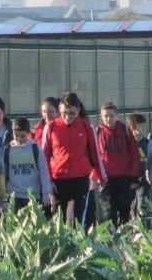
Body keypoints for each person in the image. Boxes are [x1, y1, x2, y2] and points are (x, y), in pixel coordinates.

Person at [41, 92, 106, 227]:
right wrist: (49, 181)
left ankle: (76, 247)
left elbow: (95, 154)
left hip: (80, 181)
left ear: (78, 110)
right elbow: (44, 157)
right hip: (58, 182)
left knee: (74, 219)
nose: (68, 117)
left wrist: (101, 176)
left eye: (72, 113)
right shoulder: (51, 127)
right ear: (60, 108)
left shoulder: (87, 127)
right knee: (59, 221)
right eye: (65, 112)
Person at [96, 102, 140, 226]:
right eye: (105, 116)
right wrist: (97, 176)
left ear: (117, 116)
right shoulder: (98, 132)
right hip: (106, 179)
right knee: (109, 212)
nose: (108, 119)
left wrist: (134, 176)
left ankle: (123, 240)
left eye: (111, 115)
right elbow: (95, 156)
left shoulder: (126, 130)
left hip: (124, 178)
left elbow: (135, 154)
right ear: (101, 116)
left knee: (124, 210)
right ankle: (111, 240)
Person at [3, 118, 52, 213]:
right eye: (16, 136)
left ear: (29, 133)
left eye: (23, 136)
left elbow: (44, 172)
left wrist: (46, 193)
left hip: (33, 196)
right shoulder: (8, 150)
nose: (19, 139)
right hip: (14, 196)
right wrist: (3, 198)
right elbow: (4, 174)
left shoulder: (36, 149)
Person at [126, 113, 152, 224]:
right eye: (140, 125)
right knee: (131, 208)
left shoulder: (147, 143)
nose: (143, 128)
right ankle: (132, 231)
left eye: (143, 125)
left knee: (142, 207)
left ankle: (142, 232)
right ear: (133, 127)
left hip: (144, 181)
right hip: (130, 181)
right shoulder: (126, 144)